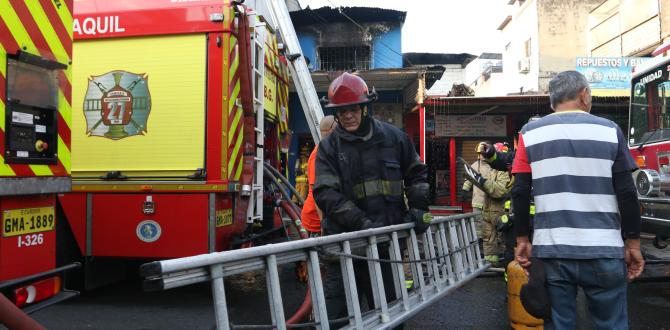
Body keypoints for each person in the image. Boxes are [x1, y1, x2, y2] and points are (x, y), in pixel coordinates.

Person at [511, 71, 644, 329]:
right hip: (604, 250)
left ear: (552, 102)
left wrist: (522, 240)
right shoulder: (610, 131)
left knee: (560, 323)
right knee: (612, 324)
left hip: (552, 251)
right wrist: (634, 243)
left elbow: (519, 191)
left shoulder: (529, 134)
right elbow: (627, 193)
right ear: (584, 95)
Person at [313, 72, 430, 323]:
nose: (347, 115)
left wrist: (419, 208)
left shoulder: (394, 138)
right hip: (344, 249)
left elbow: (417, 174)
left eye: (353, 108)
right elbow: (326, 193)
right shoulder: (329, 148)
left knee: (391, 316)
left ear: (365, 107)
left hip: (385, 249)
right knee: (334, 321)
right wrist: (362, 224)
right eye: (341, 111)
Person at [463, 142, 512, 266]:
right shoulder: (490, 168)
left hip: (501, 213)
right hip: (487, 210)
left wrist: (482, 182)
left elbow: (499, 191)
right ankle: (491, 264)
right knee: (487, 238)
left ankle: (503, 264)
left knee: (502, 239)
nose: (482, 157)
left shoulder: (506, 171)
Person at [300, 115, 336, 237]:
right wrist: (323, 223)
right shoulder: (318, 155)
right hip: (315, 220)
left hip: (322, 216)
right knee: (318, 255)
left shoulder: (328, 151)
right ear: (332, 130)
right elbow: (318, 192)